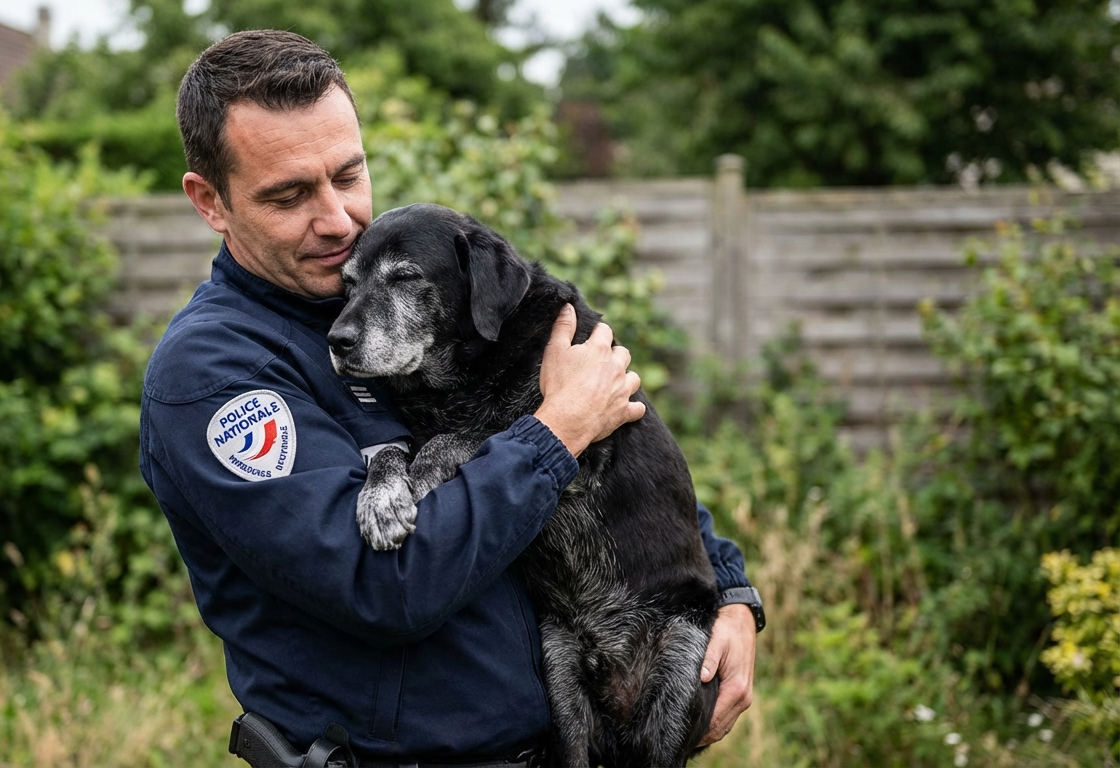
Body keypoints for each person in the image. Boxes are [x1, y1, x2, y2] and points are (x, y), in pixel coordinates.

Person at [139, 28, 759, 765]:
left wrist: (730, 591)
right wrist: (554, 434)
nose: (337, 221)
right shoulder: (216, 375)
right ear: (210, 202)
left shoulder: (414, 297)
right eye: (289, 195)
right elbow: (384, 586)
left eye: (348, 175)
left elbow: (629, 454)